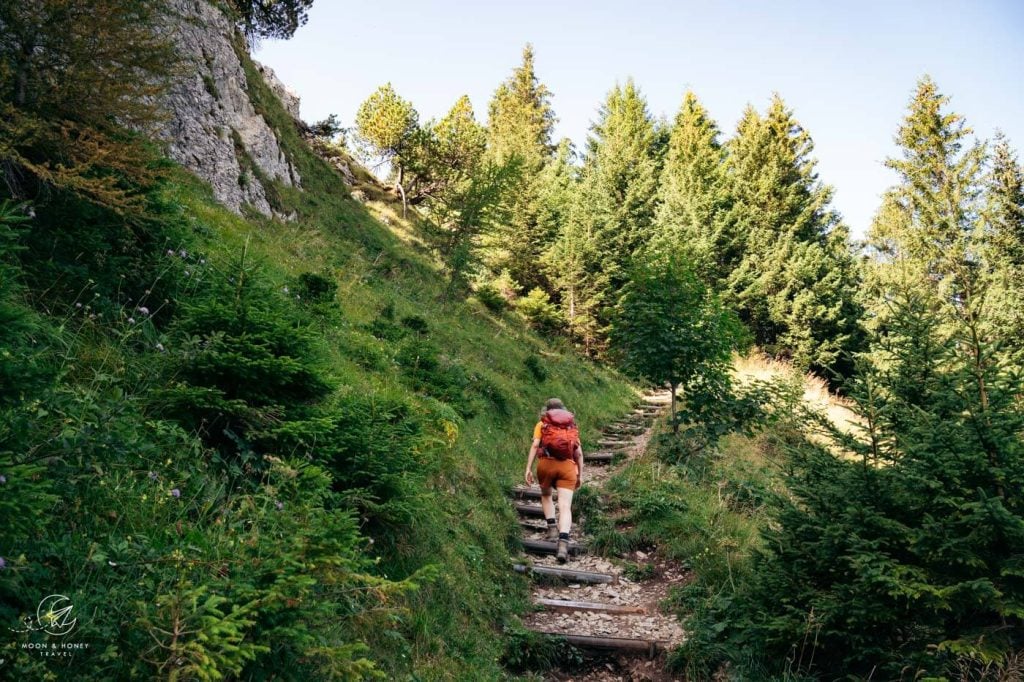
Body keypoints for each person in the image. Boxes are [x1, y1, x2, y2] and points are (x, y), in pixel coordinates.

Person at [524, 398, 583, 563]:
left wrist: (528, 468)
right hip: (567, 467)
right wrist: (580, 474)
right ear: (563, 410)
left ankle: (551, 529)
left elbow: (536, 445)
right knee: (565, 506)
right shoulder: (571, 425)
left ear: (547, 410)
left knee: (546, 495)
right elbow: (578, 453)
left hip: (546, 465)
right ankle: (563, 543)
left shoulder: (542, 424)